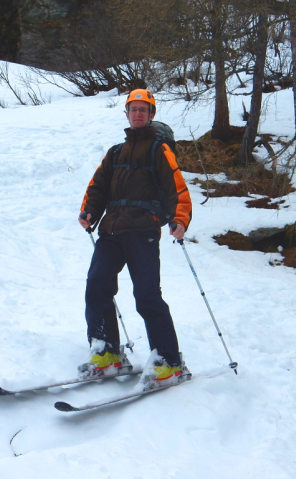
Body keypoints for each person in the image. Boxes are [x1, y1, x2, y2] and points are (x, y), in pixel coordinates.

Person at [78, 89, 192, 387]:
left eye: (144, 109)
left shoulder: (159, 151)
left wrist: (179, 219)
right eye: (133, 109)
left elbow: (177, 188)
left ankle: (169, 361)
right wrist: (90, 211)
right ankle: (107, 352)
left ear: (151, 115)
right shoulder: (115, 152)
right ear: (127, 114)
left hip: (143, 232)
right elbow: (97, 187)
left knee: (147, 296)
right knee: (97, 285)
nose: (138, 113)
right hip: (112, 231)